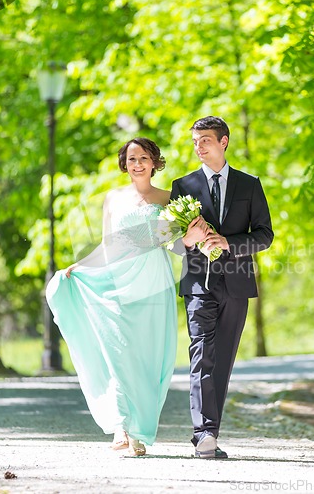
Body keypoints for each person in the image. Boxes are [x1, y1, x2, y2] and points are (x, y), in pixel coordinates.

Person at [46, 138, 177, 457]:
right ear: (124, 163)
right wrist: (80, 266)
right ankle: (121, 425)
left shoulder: (169, 197)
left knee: (147, 355)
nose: (137, 163)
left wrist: (172, 235)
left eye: (143, 157)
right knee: (118, 350)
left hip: (153, 281)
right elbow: (109, 246)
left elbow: (176, 239)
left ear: (154, 162)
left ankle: (141, 432)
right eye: (131, 158)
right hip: (118, 280)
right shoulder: (113, 199)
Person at [170, 116, 273, 459]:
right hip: (198, 283)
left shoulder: (249, 185)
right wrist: (188, 238)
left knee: (223, 359)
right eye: (195, 141)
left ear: (224, 142)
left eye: (205, 141)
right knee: (201, 355)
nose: (199, 147)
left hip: (237, 284)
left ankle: (211, 428)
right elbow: (172, 242)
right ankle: (204, 435)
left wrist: (228, 242)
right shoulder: (182, 185)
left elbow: (264, 235)